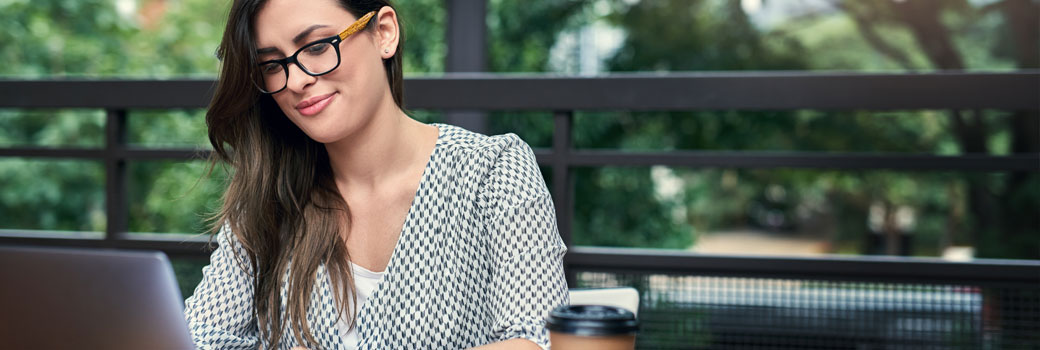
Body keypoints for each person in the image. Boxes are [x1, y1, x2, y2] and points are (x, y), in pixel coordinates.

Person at [183, 0, 569, 349]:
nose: (297, 80)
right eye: (272, 65)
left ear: (384, 32)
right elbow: (200, 338)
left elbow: (536, 340)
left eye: (317, 47)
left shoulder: (492, 170)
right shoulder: (270, 196)